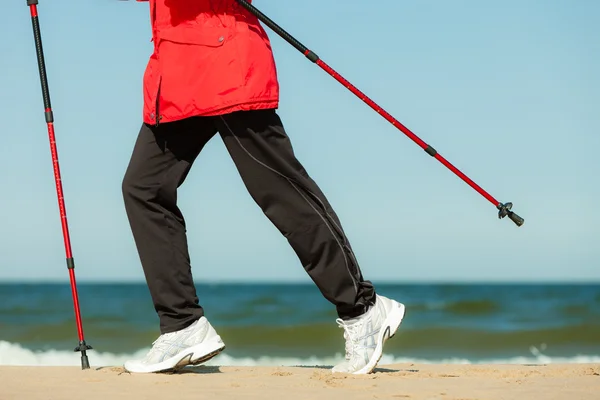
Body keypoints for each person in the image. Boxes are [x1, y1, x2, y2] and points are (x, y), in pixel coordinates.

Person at [121, 0, 406, 374]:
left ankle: (362, 309)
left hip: (226, 64)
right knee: (144, 189)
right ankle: (182, 324)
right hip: (178, 71)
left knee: (281, 194)